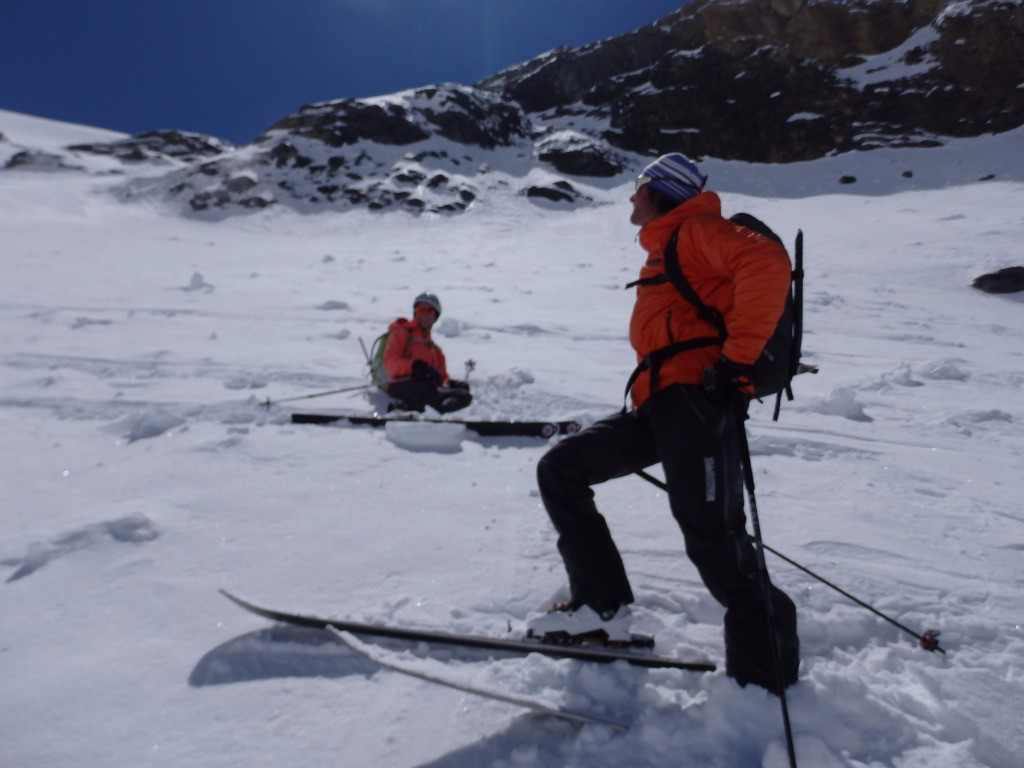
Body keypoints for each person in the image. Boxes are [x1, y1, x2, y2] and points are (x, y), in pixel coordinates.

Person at [526, 153, 800, 694]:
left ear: (661, 192)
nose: (631, 198)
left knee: (715, 544)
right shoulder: (671, 243)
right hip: (660, 405)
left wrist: (737, 360)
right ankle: (600, 606)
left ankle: (765, 681)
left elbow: (767, 263)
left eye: (639, 187)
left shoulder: (695, 230)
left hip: (696, 403)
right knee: (563, 468)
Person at [382, 292, 472, 414]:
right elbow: (390, 363)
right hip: (400, 385)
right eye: (420, 310)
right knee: (427, 388)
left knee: (464, 396)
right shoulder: (401, 333)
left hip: (429, 389)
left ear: (435, 317)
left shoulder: (435, 350)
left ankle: (428, 413)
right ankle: (400, 410)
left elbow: (441, 376)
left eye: (429, 311)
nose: (424, 314)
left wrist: (451, 383)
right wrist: (414, 367)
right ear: (415, 312)